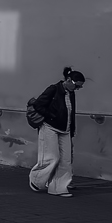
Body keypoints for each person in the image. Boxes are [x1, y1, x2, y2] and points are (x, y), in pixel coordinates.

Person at [28, 66, 86, 197]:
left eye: (80, 87)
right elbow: (38, 105)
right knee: (51, 157)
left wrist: (72, 130)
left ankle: (58, 188)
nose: (77, 89)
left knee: (66, 160)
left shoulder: (71, 93)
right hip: (49, 126)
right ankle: (36, 180)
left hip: (65, 129)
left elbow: (71, 113)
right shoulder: (53, 89)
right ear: (69, 80)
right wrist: (50, 116)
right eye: (77, 85)